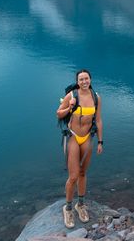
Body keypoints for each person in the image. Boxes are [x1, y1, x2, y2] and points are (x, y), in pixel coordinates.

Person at [56, 69, 103, 228]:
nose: (84, 82)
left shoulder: (96, 97)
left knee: (83, 173)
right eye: (81, 79)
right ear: (77, 81)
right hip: (73, 136)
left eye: (86, 79)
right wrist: (70, 108)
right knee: (74, 175)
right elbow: (58, 114)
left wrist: (100, 141)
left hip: (87, 137)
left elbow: (99, 119)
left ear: (90, 79)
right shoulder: (72, 96)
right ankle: (68, 208)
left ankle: (80, 205)